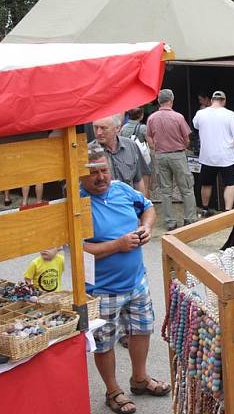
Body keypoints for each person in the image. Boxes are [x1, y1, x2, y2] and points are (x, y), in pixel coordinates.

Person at [80, 149, 169, 414]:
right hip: (101, 290)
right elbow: (78, 249)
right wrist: (117, 245)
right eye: (93, 172)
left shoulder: (121, 189)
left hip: (136, 281)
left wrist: (147, 227)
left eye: (104, 170)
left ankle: (139, 379)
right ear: (80, 176)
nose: (100, 177)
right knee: (105, 341)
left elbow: (148, 207)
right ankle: (113, 391)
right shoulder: (78, 203)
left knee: (142, 330)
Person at [146, 89, 197, 230]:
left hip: (161, 155)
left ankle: (170, 222)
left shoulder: (151, 118)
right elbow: (187, 138)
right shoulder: (178, 117)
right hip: (177, 154)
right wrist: (183, 146)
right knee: (186, 188)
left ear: (159, 101)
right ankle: (190, 219)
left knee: (165, 191)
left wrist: (155, 148)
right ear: (171, 100)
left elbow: (148, 136)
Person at [193, 90, 234, 215]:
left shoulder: (200, 114)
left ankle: (205, 209)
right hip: (226, 156)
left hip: (207, 156)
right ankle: (227, 211)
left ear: (211, 100)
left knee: (206, 184)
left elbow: (196, 126)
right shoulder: (230, 114)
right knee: (230, 184)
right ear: (224, 101)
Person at [91, 115, 150, 197]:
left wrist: (143, 204)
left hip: (129, 205)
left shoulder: (131, 146)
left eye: (103, 128)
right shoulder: (88, 152)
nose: (99, 132)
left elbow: (139, 179)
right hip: (104, 205)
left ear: (117, 128)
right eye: (95, 127)